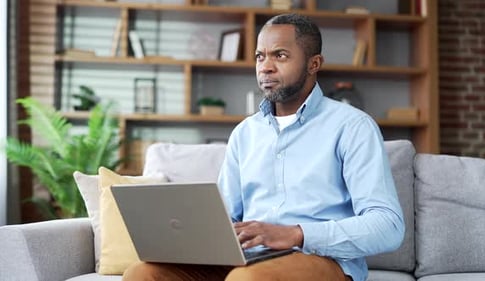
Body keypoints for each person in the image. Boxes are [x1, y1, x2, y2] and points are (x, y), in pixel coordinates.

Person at [123, 13, 404, 281]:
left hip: (322, 260)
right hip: (247, 259)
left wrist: (296, 234)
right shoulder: (245, 133)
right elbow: (227, 218)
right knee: (143, 273)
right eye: (260, 56)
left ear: (313, 63)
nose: (265, 66)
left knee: (247, 278)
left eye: (280, 55)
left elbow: (388, 226)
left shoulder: (352, 126)